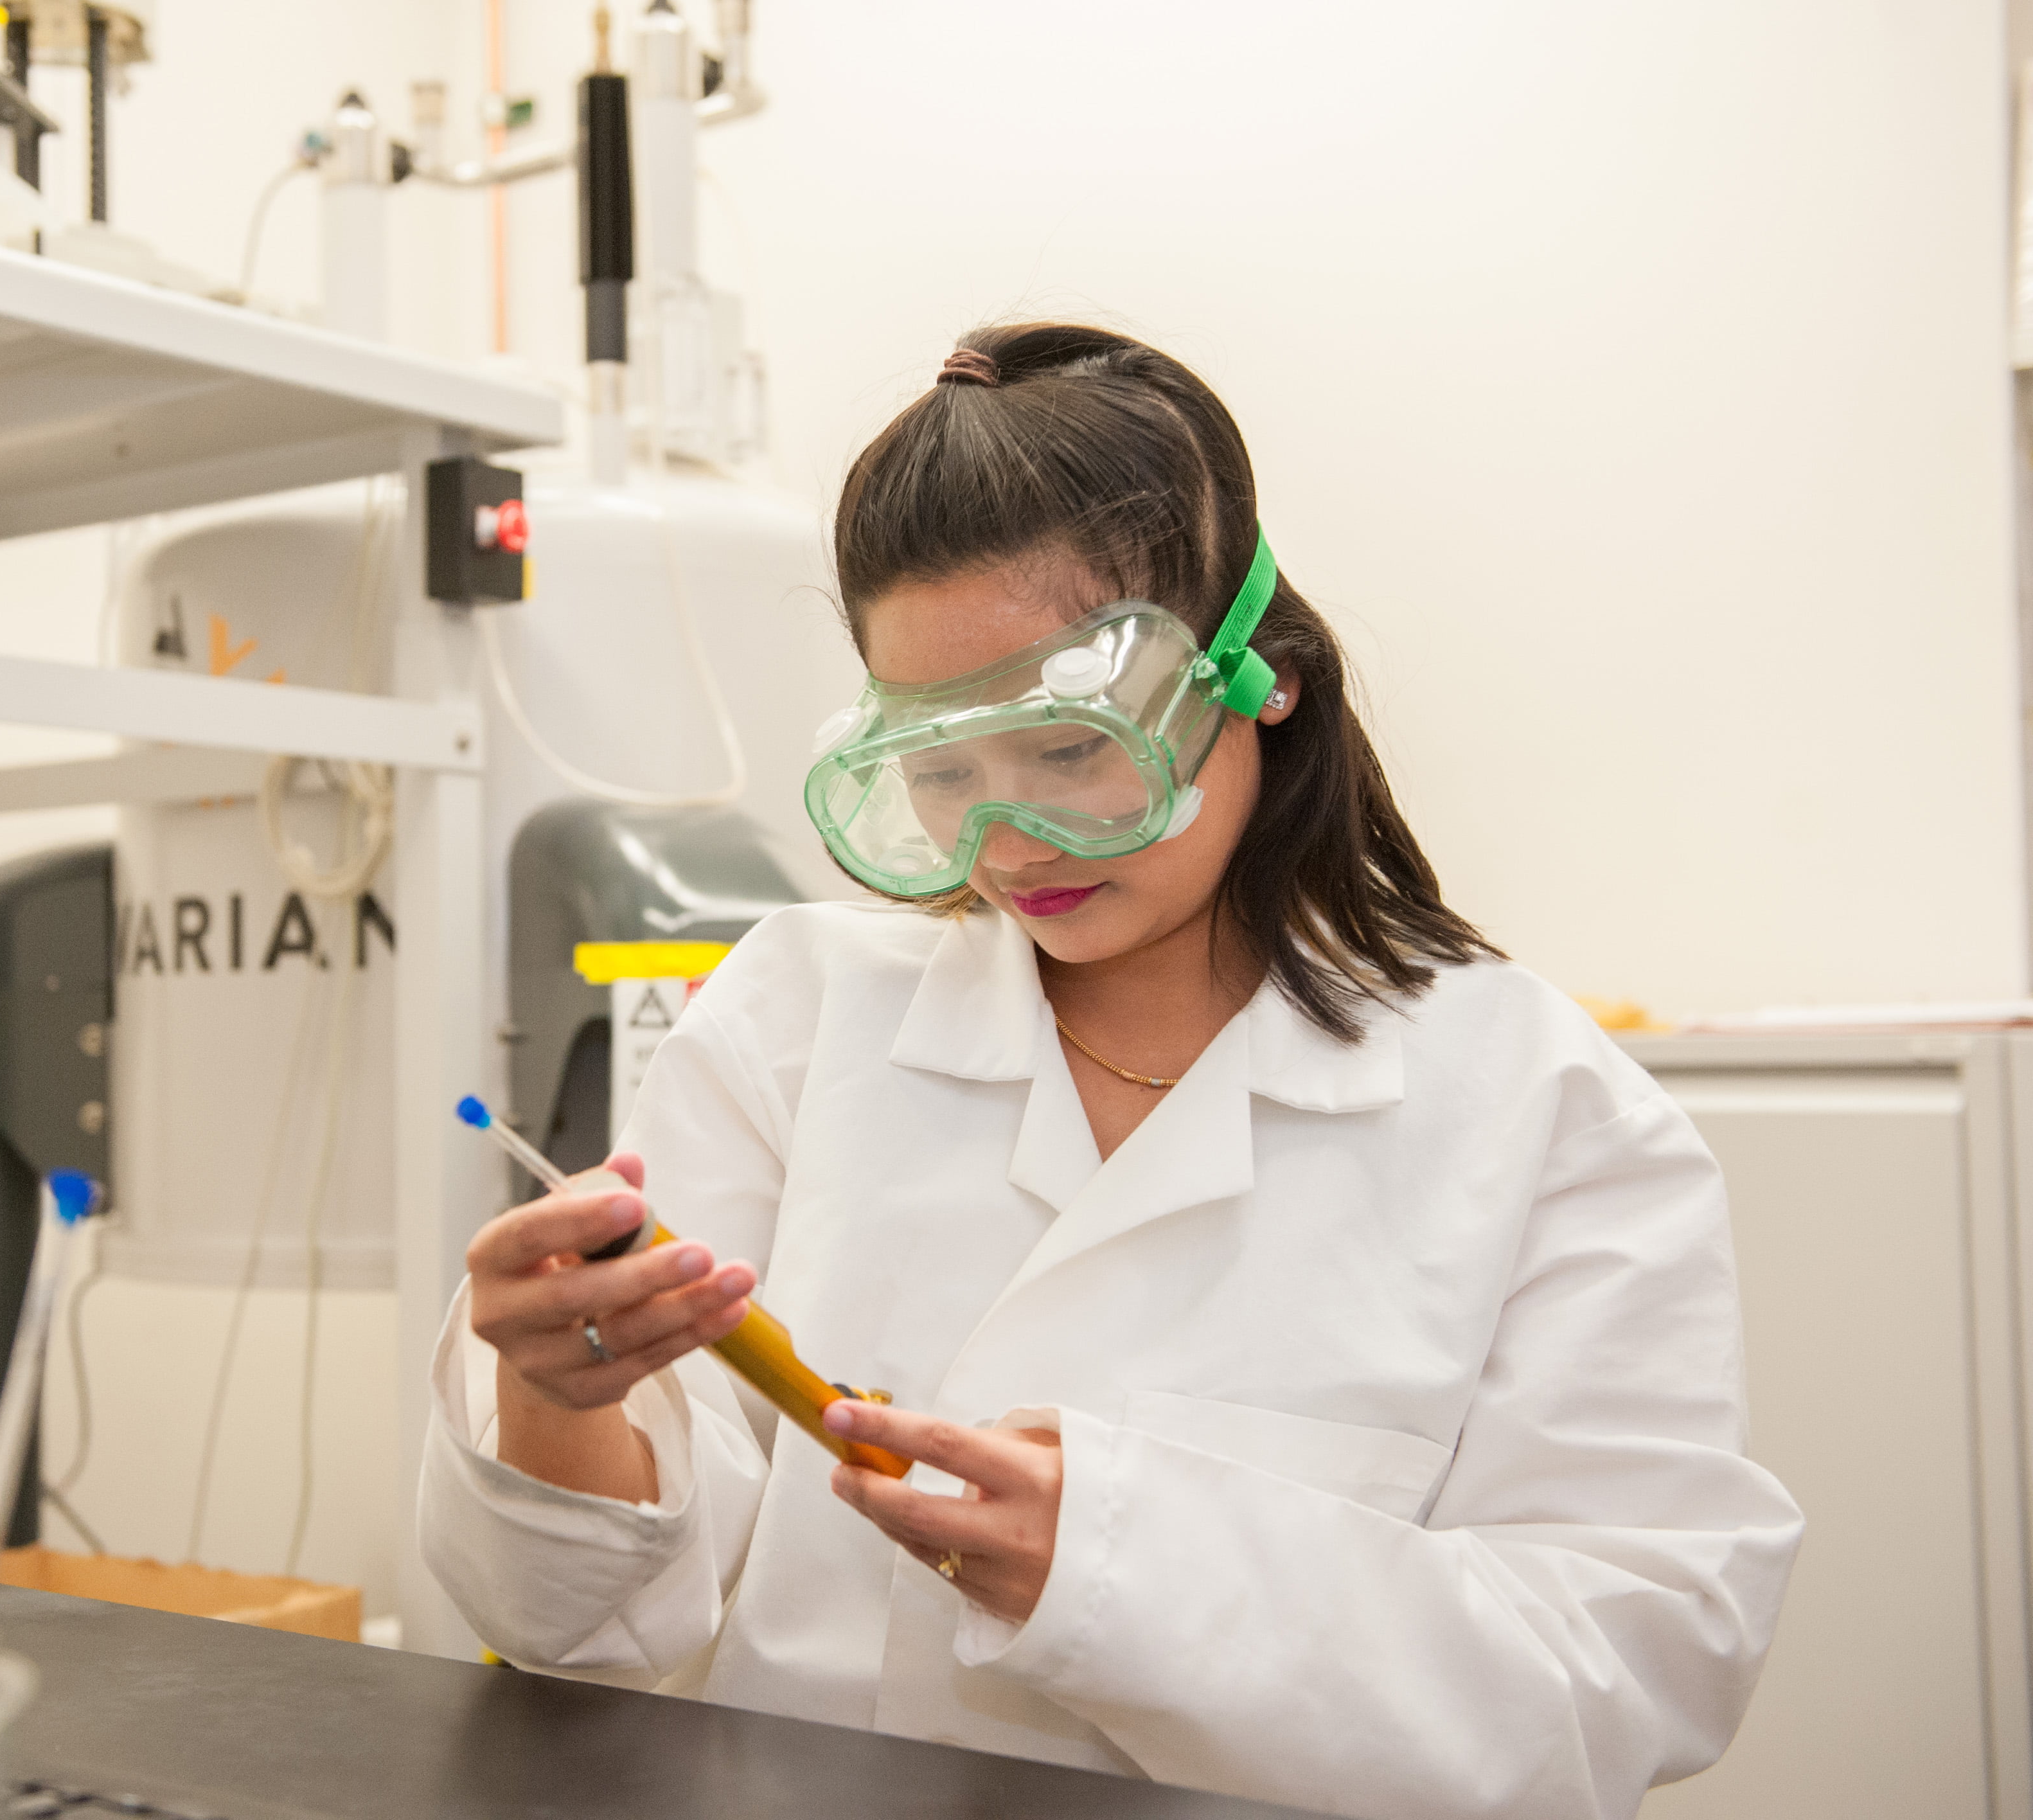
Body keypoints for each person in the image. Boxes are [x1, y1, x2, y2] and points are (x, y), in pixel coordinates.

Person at [418, 322, 1802, 1820]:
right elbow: (596, 1632)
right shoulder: (796, 1021)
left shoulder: (1536, 1107)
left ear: (1252, 680)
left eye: (1070, 751)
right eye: (943, 771)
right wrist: (559, 1397)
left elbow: (1622, 1678)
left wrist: (1134, 1568)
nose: (1004, 846)